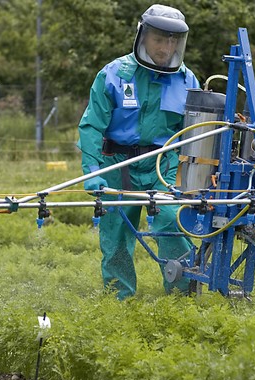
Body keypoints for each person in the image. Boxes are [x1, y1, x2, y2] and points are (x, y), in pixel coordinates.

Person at [77, 4, 200, 300]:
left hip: (163, 165)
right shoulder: (113, 75)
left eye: (173, 41)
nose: (166, 47)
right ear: (143, 37)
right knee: (116, 232)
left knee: (172, 222)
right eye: (160, 39)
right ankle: (119, 302)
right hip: (119, 164)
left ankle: (182, 298)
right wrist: (93, 172)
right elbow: (92, 126)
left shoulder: (187, 81)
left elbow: (197, 133)